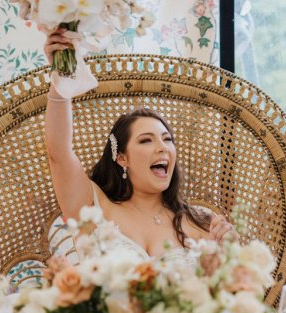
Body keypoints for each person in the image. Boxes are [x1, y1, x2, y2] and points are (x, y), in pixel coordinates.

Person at [43, 30, 236, 262]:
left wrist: (225, 254)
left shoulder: (202, 221)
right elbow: (59, 152)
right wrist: (61, 77)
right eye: (146, 140)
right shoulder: (93, 210)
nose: (162, 147)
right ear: (121, 158)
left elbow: (220, 292)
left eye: (167, 139)